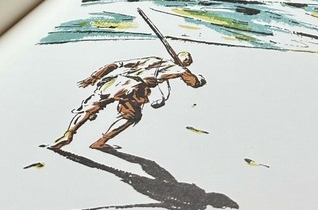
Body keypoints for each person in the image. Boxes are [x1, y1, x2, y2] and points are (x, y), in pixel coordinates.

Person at [51, 51, 205, 150]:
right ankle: (100, 142)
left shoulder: (152, 59)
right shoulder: (180, 69)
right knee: (131, 116)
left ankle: (69, 133)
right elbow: (194, 83)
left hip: (116, 82)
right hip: (135, 87)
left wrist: (94, 77)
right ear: (187, 63)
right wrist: (199, 79)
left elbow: (115, 65)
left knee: (90, 108)